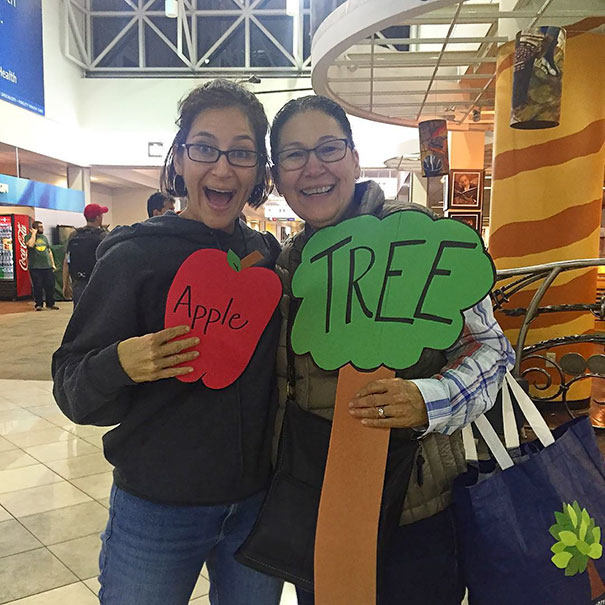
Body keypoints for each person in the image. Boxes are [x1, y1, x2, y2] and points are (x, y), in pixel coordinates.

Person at [268, 95, 515, 605]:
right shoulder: (284, 265)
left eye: (328, 148)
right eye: (294, 155)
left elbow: (491, 349)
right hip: (320, 506)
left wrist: (431, 398)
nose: (313, 167)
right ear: (277, 174)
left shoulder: (415, 238)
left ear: (354, 159)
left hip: (415, 506)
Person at [52, 80, 283, 605]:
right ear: (179, 159)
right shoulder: (134, 257)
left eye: (242, 153)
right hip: (155, 509)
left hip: (255, 505)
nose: (222, 168)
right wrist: (119, 363)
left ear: (259, 170)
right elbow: (70, 384)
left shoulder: (267, 260)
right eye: (205, 148)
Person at [62, 203, 108, 306]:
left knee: (79, 316)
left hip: (78, 283)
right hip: (98, 283)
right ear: (98, 217)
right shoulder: (103, 236)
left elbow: (67, 260)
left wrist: (65, 284)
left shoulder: (74, 235)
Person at [26, 220, 59, 311]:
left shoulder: (44, 238)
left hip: (47, 266)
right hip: (35, 267)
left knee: (50, 285)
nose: (42, 228)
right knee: (38, 286)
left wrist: (52, 263)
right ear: (35, 228)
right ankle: (39, 304)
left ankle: (50, 303)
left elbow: (48, 251)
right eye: (40, 227)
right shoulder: (28, 237)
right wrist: (33, 234)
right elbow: (30, 245)